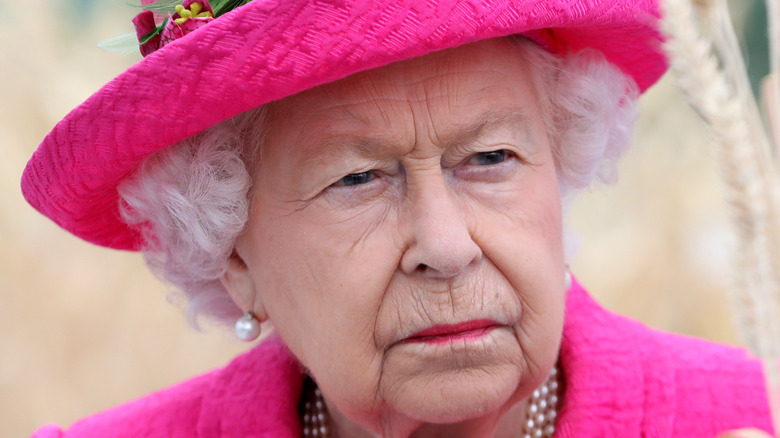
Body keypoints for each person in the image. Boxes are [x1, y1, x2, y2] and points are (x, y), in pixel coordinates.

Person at [21, 0, 777, 436]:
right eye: (357, 178)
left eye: (491, 159)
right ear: (232, 255)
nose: (445, 248)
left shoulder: (750, 416)